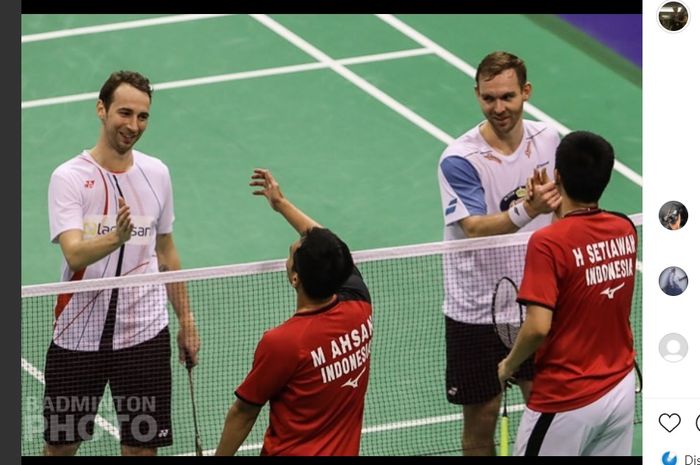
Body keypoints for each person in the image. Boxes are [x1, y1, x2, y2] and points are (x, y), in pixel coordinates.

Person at [43, 70, 201, 456]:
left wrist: (187, 321)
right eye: (124, 113)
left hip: (144, 333)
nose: (133, 126)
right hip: (79, 334)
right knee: (60, 448)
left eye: (142, 116)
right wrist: (117, 237)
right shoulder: (69, 178)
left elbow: (165, 250)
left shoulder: (157, 174)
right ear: (102, 110)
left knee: (142, 449)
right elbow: (74, 252)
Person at [437, 51, 561, 455]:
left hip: (533, 302)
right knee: (482, 419)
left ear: (526, 92)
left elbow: (562, 209)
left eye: (507, 96)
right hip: (475, 309)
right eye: (489, 98)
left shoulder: (549, 140)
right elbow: (473, 228)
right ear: (477, 95)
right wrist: (530, 208)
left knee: (547, 408)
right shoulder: (460, 159)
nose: (499, 108)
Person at [498, 131, 638, 456]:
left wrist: (509, 365)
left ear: (557, 176)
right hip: (620, 387)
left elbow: (537, 327)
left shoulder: (547, 244)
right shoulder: (625, 229)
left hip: (566, 398)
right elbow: (580, 238)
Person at [215, 169, 373, 456]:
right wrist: (282, 204)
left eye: (291, 254)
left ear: (295, 278)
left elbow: (244, 412)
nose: (292, 251)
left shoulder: (284, 342)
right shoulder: (359, 307)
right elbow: (335, 249)